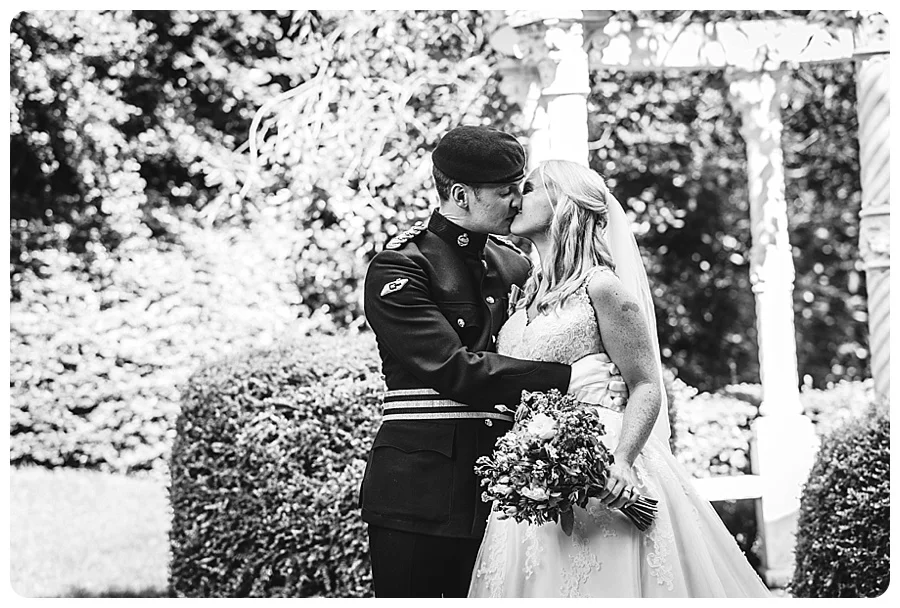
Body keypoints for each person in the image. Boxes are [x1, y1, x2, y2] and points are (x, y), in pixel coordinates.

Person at [467, 160, 772, 598]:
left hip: (605, 458)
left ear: (562, 202)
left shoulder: (601, 288)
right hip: (532, 473)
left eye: (528, 189)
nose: (515, 199)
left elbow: (646, 384)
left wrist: (622, 460)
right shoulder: (524, 294)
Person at [359, 127, 628, 598]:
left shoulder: (515, 265)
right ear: (461, 195)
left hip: (512, 493)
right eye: (505, 191)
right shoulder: (401, 267)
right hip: (419, 492)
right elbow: (454, 368)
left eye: (520, 188)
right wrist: (569, 379)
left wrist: (606, 384)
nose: (517, 201)